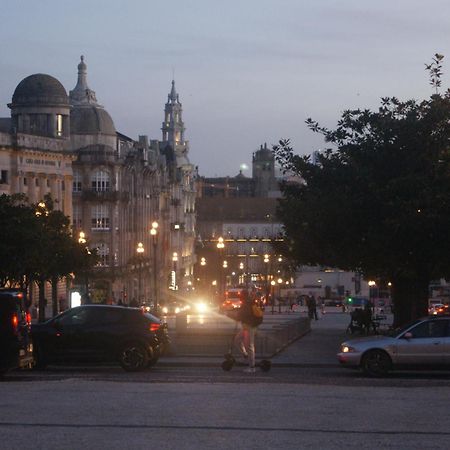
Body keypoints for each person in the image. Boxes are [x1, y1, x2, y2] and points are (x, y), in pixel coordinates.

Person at [235, 290, 260, 373]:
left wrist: (237, 316)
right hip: (246, 327)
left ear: (243, 296)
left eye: (241, 296)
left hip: (250, 327)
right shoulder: (246, 303)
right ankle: (245, 355)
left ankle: (252, 366)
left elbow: (244, 315)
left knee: (249, 346)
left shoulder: (247, 304)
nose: (240, 297)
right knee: (237, 340)